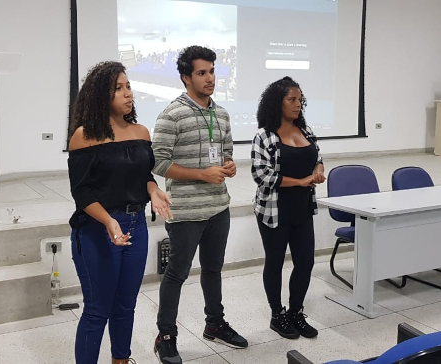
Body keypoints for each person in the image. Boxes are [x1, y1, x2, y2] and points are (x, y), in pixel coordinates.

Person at [67, 61, 172, 364]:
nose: (128, 94)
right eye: (118, 88)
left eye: (128, 86)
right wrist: (109, 221)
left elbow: (144, 176)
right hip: (97, 230)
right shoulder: (84, 136)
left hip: (136, 226)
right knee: (98, 309)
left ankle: (121, 361)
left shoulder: (141, 132)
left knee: (125, 306)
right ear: (101, 95)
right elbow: (82, 192)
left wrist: (153, 191)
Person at [151, 45, 247, 364]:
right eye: (202, 73)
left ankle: (214, 324)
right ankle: (166, 336)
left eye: (212, 71)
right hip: (186, 211)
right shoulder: (172, 114)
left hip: (218, 207)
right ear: (185, 78)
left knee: (213, 270)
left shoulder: (220, 114)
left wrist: (229, 166)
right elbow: (158, 162)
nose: (210, 78)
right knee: (177, 273)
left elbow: (227, 153)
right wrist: (200, 174)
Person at [251, 76, 325, 340]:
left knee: (305, 262)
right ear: (277, 102)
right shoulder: (264, 136)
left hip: (302, 208)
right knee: (275, 262)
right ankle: (277, 314)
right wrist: (302, 181)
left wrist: (318, 170)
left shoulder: (305, 131)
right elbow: (262, 176)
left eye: (299, 100)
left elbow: (318, 157)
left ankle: (295, 312)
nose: (297, 104)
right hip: (274, 211)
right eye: (291, 100)